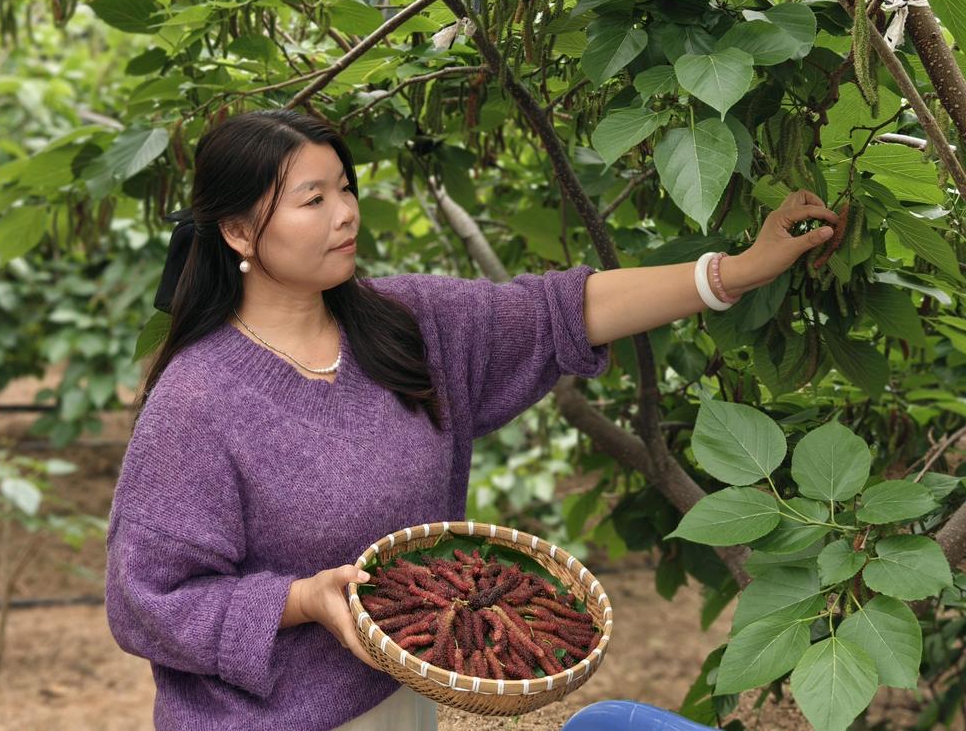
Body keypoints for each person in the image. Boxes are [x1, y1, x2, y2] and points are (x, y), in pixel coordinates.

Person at [104, 108, 840, 731]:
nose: (346, 212)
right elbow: (147, 603)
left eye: (347, 188)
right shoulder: (198, 400)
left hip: (400, 702)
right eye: (313, 198)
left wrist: (736, 272)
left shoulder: (408, 326)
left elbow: (569, 310)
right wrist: (301, 601)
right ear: (238, 232)